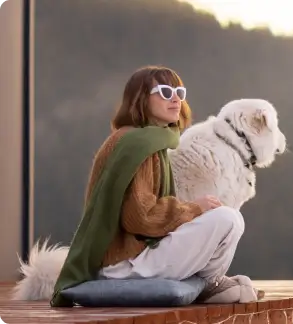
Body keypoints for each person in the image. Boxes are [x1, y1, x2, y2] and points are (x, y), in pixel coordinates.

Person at [50, 65, 260, 307]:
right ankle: (209, 284)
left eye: (179, 93)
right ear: (140, 98)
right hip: (125, 264)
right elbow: (140, 216)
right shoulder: (136, 144)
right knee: (228, 219)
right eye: (164, 91)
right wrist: (194, 209)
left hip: (136, 255)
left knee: (226, 216)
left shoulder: (148, 140)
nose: (175, 100)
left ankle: (209, 283)